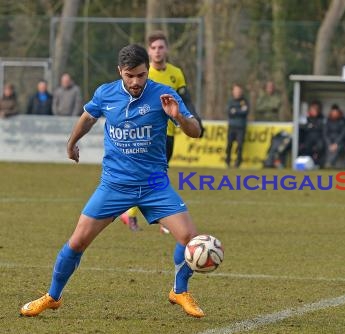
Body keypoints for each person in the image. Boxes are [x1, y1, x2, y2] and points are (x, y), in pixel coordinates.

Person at [19, 44, 206, 318]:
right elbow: (88, 117)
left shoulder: (165, 95)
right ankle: (53, 296)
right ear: (120, 72)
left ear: (148, 71)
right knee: (77, 242)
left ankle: (179, 291)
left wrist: (177, 117)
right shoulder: (105, 93)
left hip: (155, 184)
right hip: (115, 185)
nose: (136, 82)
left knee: (190, 238)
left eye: (141, 75)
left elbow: (196, 131)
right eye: (130, 76)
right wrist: (72, 143)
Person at [120, 30, 202, 233]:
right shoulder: (143, 74)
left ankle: (152, 214)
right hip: (145, 135)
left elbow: (186, 99)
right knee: (149, 175)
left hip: (170, 133)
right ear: (148, 51)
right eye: (153, 48)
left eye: (161, 47)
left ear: (167, 49)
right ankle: (146, 215)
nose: (157, 51)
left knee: (159, 173)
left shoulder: (176, 73)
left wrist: (194, 118)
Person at [225, 83, 249, 168]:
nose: (237, 92)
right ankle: (227, 161)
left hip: (241, 127)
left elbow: (245, 112)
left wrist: (235, 111)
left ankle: (238, 163)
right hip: (232, 126)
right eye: (236, 91)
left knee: (239, 145)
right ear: (233, 91)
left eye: (239, 91)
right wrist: (239, 111)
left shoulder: (244, 101)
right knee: (229, 145)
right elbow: (229, 112)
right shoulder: (230, 101)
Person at [298, 100, 326, 167]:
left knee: (320, 146)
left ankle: (317, 164)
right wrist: (309, 126)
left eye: (316, 109)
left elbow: (322, 127)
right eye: (313, 109)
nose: (315, 111)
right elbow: (302, 127)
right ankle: (307, 164)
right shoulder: (305, 117)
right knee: (305, 147)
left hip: (319, 137)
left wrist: (312, 126)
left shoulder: (322, 118)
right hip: (308, 137)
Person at [323, 104, 345, 168]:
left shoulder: (343, 121)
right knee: (324, 146)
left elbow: (343, 134)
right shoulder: (327, 121)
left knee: (339, 147)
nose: (335, 114)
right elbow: (325, 134)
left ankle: (329, 163)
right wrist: (329, 143)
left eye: (336, 113)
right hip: (329, 142)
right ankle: (325, 163)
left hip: (340, 142)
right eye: (333, 113)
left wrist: (336, 143)